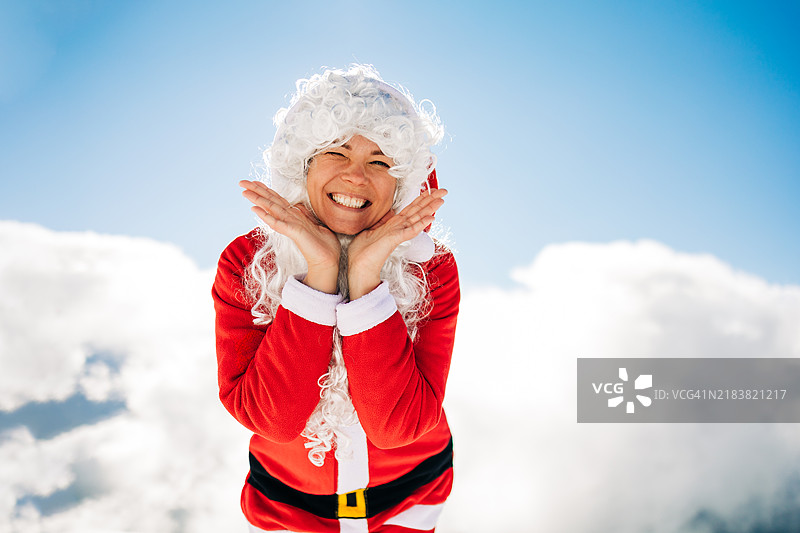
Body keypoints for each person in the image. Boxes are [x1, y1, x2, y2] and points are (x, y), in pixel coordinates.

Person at [213, 64, 460, 533]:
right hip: (286, 510)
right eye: (335, 151)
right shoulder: (247, 264)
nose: (356, 176)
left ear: (404, 183)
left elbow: (397, 427)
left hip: (411, 497)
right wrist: (319, 278)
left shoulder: (432, 270)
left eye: (381, 161)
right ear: (301, 161)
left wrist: (366, 278)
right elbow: (273, 418)